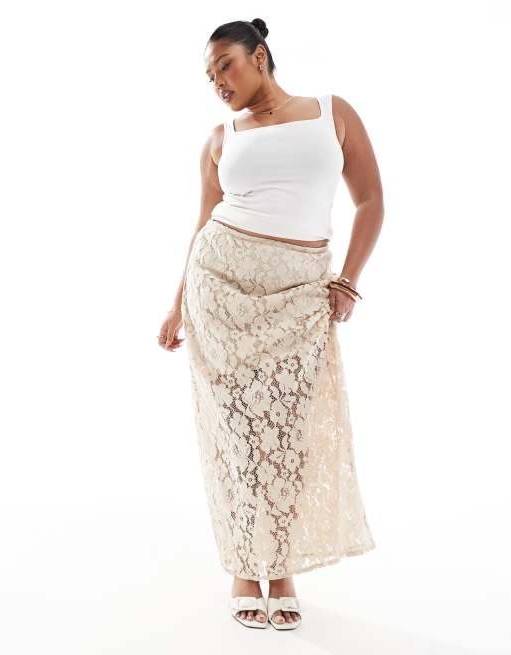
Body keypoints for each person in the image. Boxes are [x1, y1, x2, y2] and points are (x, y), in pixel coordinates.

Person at [158, 18, 384, 631]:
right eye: (209, 76)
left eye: (224, 66)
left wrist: (348, 281)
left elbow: (370, 201)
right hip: (219, 292)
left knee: (287, 437)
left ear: (259, 56)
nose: (218, 82)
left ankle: (278, 567)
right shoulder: (220, 138)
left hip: (299, 299)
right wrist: (177, 304)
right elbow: (202, 223)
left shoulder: (332, 113)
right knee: (236, 438)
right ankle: (242, 566)